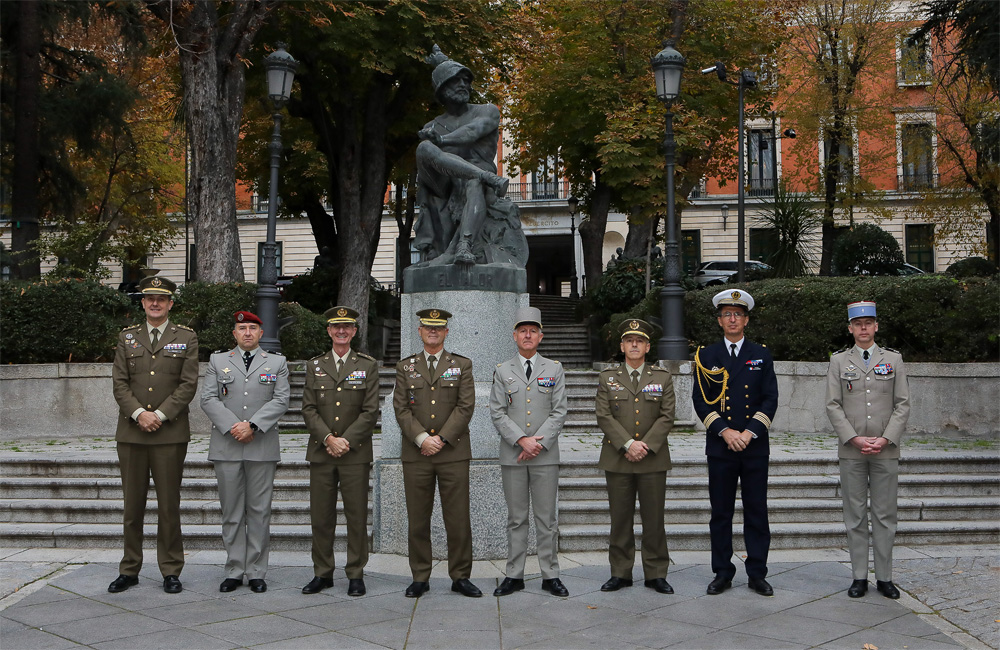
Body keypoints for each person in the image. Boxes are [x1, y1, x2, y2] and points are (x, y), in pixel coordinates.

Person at [108, 275, 198, 594]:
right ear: (143, 303)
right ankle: (129, 568)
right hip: (132, 433)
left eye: (161, 299)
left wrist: (158, 415)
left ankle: (171, 570)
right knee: (132, 507)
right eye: (149, 299)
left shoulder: (186, 337)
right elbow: (119, 383)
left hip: (169, 434)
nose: (155, 303)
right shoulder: (127, 337)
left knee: (168, 507)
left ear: (170, 303)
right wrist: (139, 414)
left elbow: (188, 385)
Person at [691, 289, 778, 597]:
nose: (732, 319)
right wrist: (725, 432)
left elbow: (770, 399)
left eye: (738, 314)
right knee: (721, 513)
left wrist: (749, 432)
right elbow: (701, 401)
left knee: (756, 511)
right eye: (727, 314)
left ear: (746, 320)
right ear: (719, 320)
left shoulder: (761, 354)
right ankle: (722, 572)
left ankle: (757, 573)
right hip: (720, 446)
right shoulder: (706, 355)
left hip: (754, 446)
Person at [392, 308, 480, 598]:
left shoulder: (462, 365)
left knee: (458, 519)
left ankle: (460, 576)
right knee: (418, 518)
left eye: (438, 328)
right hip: (417, 454)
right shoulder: (406, 367)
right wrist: (421, 438)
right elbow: (401, 409)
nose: (433, 331)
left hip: (452, 452)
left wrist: (440, 438)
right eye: (428, 327)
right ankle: (420, 576)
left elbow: (465, 406)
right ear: (419, 331)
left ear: (446, 332)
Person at [200, 311, 289, 594]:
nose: (248, 332)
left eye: (253, 328)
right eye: (242, 328)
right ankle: (235, 569)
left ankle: (257, 571)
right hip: (227, 445)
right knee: (231, 512)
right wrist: (233, 427)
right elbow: (208, 398)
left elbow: (281, 399)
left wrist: (253, 425)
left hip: (261, 445)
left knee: (260, 511)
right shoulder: (218, 361)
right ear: (234, 334)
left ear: (261, 333)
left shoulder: (277, 362)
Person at [826, 301, 909, 599]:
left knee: (885, 515)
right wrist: (854, 438)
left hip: (885, 450)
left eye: (868, 322)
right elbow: (833, 405)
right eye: (857, 324)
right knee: (856, 515)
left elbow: (902, 404)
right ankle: (859, 576)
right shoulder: (838, 361)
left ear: (876, 326)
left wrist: (886, 438)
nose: (863, 328)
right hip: (852, 450)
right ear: (850, 328)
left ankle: (885, 577)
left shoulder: (894, 360)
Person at [300, 306, 380, 597]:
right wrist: (328, 439)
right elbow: (308, 409)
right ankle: (322, 572)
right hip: (322, 453)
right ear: (329, 331)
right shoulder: (315, 365)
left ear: (354, 331)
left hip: (354, 453)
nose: (342, 331)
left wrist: (345, 440)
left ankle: (356, 573)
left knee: (356, 516)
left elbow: (371, 411)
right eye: (336, 327)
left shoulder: (367, 365)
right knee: (321, 516)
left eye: (347, 327)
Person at [489, 307, 569, 598]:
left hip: (545, 456)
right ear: (514, 335)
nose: (527, 335)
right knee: (516, 518)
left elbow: (559, 412)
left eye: (532, 330)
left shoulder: (554, 369)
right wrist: (522, 440)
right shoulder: (502, 370)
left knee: (546, 518)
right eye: (522, 330)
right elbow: (497, 413)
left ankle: (550, 575)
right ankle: (514, 574)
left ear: (540, 336)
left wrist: (538, 443)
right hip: (513, 455)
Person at [595, 319, 676, 595]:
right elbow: (603, 416)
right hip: (618, 458)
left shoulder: (662, 377)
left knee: (654, 520)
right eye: (629, 340)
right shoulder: (607, 378)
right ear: (622, 346)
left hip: (652, 458)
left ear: (647, 346)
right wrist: (628, 444)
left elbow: (667, 417)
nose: (633, 345)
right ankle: (620, 572)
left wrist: (644, 446)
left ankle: (655, 573)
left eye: (639, 341)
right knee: (620, 519)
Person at [414, 45, 514, 266]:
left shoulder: (487, 111)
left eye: (466, 80)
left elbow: (472, 132)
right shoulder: (432, 126)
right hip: (446, 185)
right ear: (442, 88)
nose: (464, 84)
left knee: (474, 181)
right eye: (456, 80)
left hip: (477, 182)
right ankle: (488, 178)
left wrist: (443, 140)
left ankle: (464, 245)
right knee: (423, 148)